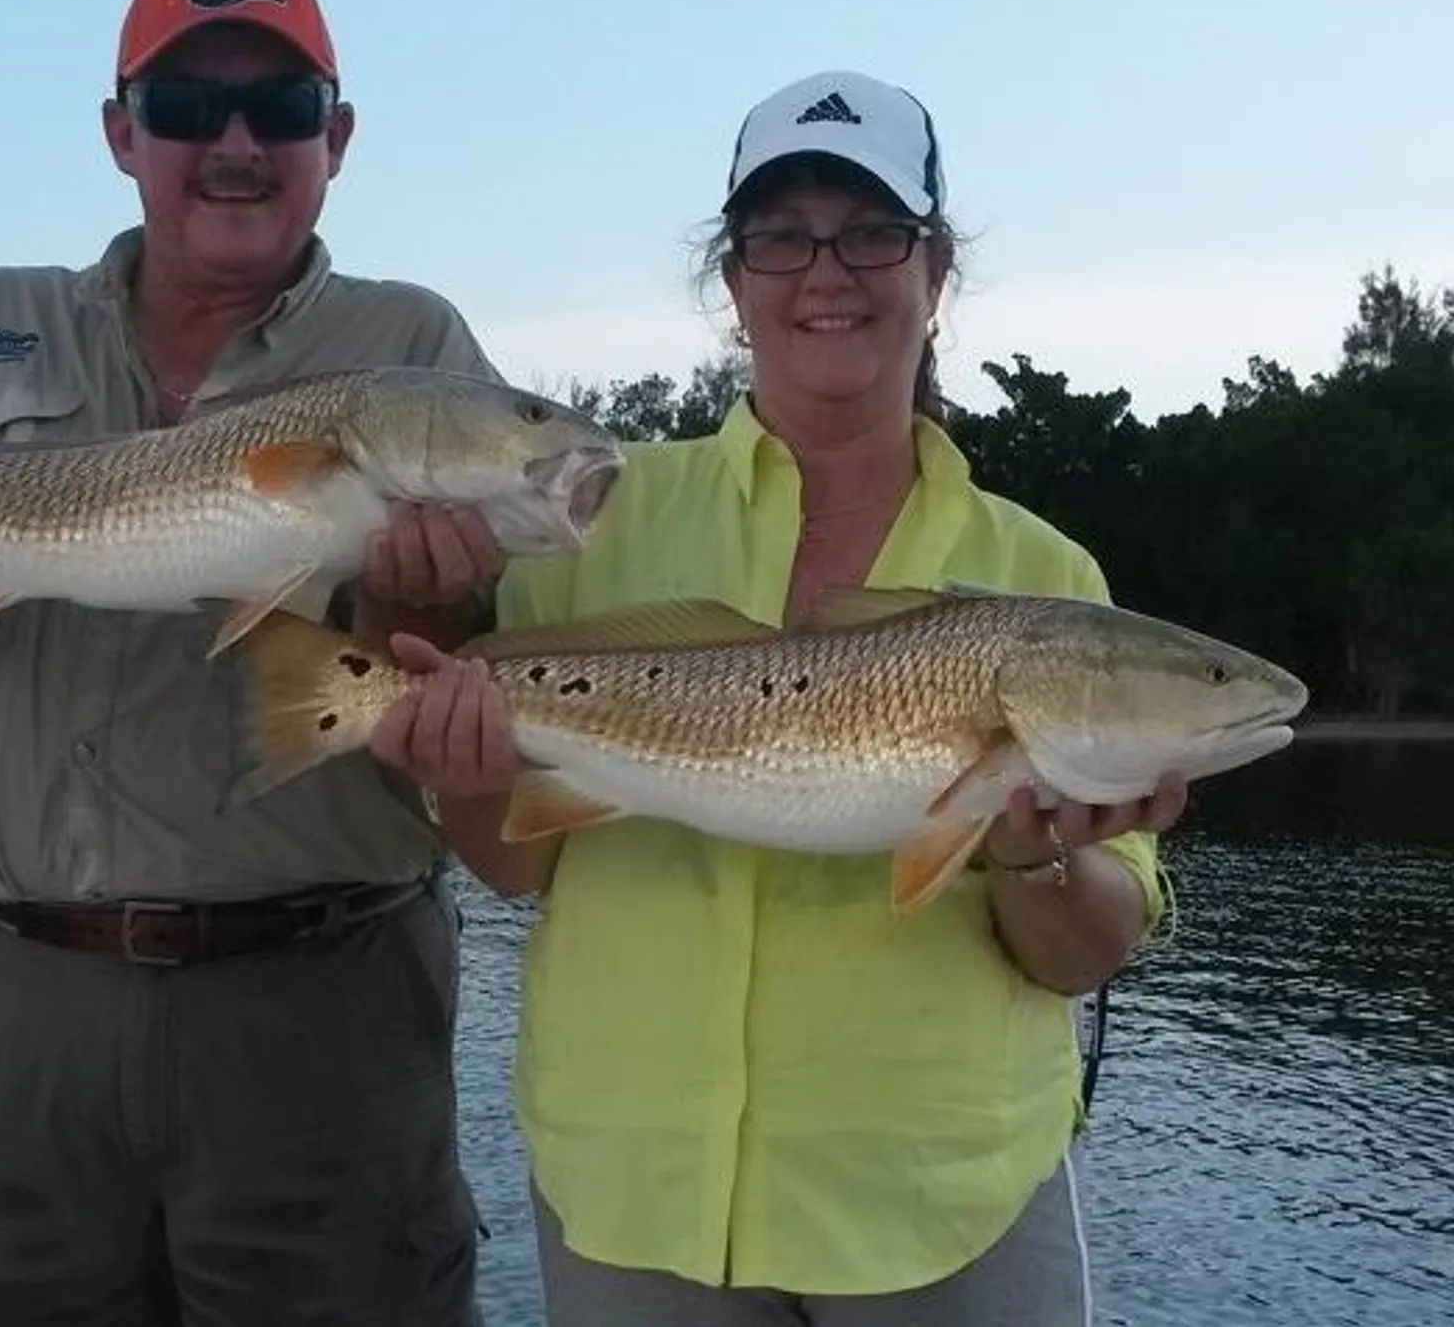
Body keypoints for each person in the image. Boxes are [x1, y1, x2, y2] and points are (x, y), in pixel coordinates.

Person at [368, 70, 1189, 1325]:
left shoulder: (1045, 578)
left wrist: (1031, 859)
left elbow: (1087, 950)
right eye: (780, 236)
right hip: (636, 1183)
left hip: (941, 1192)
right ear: (733, 280)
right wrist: (458, 765)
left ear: (935, 270)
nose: (828, 272)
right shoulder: (587, 526)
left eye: (873, 232)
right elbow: (518, 866)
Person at [0, 0, 504, 1327]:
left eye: (281, 108)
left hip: (321, 1003)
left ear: (335, 140)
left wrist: (425, 591)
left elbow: (439, 699)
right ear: (122, 133)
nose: (235, 143)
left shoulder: (412, 344)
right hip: (21, 1005)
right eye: (186, 105)